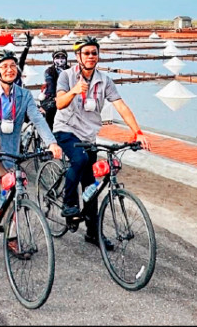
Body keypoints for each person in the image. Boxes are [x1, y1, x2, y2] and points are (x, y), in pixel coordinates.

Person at [53, 36, 151, 249]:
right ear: (78, 56)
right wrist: (73, 91)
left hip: (88, 135)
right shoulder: (66, 76)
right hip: (66, 129)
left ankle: (92, 233)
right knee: (78, 160)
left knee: (92, 185)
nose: (90, 56)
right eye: (86, 53)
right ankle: (69, 202)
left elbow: (121, 106)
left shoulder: (104, 80)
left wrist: (138, 132)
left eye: (94, 53)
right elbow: (59, 103)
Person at [0, 49, 62, 234]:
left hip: (9, 148)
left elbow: (37, 119)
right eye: (4, 66)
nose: (9, 69)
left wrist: (51, 143)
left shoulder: (24, 95)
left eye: (12, 66)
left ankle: (12, 236)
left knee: (17, 184)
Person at [39, 49, 70, 130]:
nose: (60, 59)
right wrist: (55, 97)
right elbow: (50, 85)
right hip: (51, 97)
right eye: (57, 57)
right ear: (53, 59)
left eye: (62, 57)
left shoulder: (70, 71)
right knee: (51, 110)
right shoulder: (49, 71)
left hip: (67, 97)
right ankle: (50, 134)